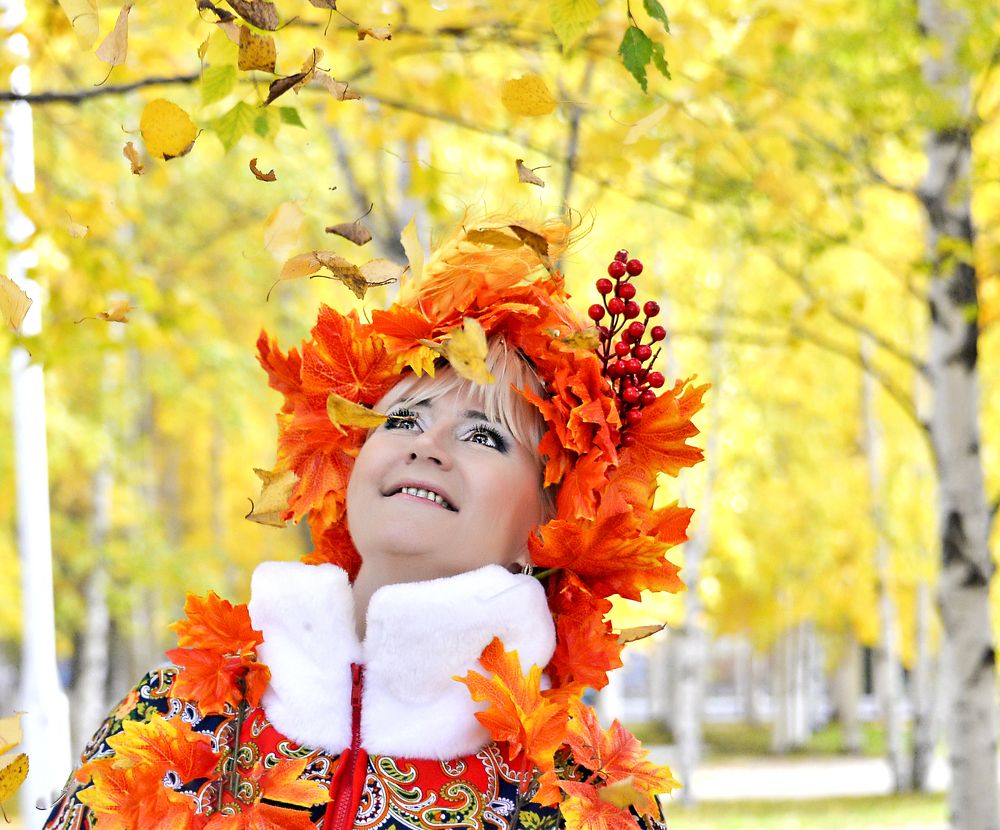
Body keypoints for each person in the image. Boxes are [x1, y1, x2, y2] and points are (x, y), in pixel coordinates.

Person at [44, 213, 707, 830]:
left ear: (554, 521)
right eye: (403, 419)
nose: (427, 446)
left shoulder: (584, 786)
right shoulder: (183, 707)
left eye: (482, 435)